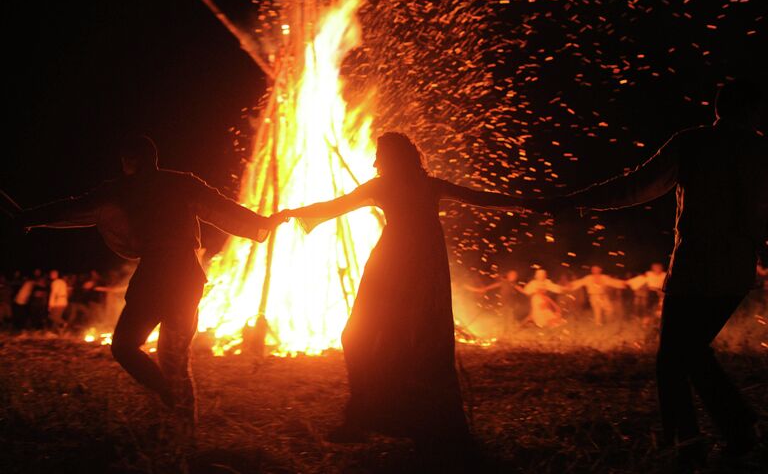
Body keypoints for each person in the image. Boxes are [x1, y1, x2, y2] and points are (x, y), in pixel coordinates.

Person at [552, 81, 768, 467]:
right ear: (753, 112)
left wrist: (578, 200)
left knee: (674, 358)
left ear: (718, 109)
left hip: (697, 268)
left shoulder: (695, 142)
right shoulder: (759, 148)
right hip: (735, 269)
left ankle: (691, 442)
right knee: (689, 353)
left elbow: (638, 185)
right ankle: (727, 431)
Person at [18, 135, 283, 436]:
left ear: (129, 162)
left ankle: (172, 404)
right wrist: (264, 222)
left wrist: (30, 217)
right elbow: (223, 209)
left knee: (125, 346)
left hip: (158, 277)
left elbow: (71, 208)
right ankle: (181, 417)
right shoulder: (181, 183)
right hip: (185, 277)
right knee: (174, 357)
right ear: (154, 159)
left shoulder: (121, 189)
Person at [282, 131, 533, 447]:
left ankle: (371, 418)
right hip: (413, 265)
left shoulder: (388, 186)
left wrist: (292, 213)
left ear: (389, 157)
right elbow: (481, 197)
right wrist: (529, 204)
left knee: (374, 338)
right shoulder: (428, 185)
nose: (375, 161)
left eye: (380, 155)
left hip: (396, 265)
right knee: (405, 341)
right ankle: (375, 416)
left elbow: (335, 206)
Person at [465, 269, 528, 338]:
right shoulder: (503, 282)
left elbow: (523, 291)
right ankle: (503, 334)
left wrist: (534, 292)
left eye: (515, 275)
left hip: (510, 305)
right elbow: (490, 287)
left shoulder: (513, 284)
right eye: (512, 275)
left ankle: (507, 333)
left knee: (509, 318)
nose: (514, 276)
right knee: (504, 319)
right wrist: (475, 289)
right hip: (503, 304)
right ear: (508, 276)